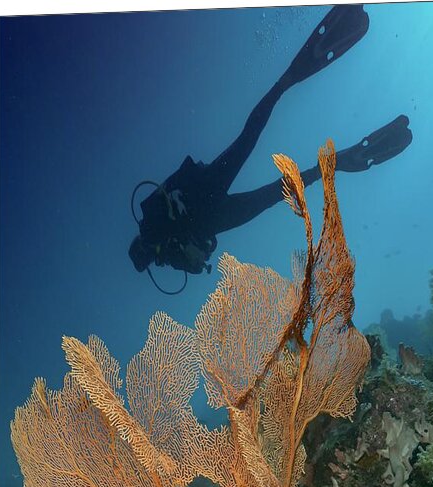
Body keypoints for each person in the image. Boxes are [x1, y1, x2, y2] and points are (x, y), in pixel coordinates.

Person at [129, 4, 413, 293]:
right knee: (260, 163)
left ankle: (301, 113)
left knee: (258, 161)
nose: (150, 255)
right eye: (147, 258)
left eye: (144, 255)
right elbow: (201, 254)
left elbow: (181, 225)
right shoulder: (165, 248)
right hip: (214, 211)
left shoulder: (152, 227)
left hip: (208, 198)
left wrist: (173, 242)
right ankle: (295, 105)